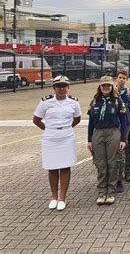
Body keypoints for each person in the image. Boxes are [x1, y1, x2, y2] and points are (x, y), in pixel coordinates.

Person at [33, 75, 81, 211]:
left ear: (68, 88)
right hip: (50, 137)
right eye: (59, 86)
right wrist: (49, 129)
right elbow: (36, 120)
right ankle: (54, 197)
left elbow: (77, 119)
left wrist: (65, 128)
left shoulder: (73, 102)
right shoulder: (45, 102)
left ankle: (62, 197)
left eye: (64, 86)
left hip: (66, 136)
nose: (62, 89)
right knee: (52, 167)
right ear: (54, 88)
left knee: (65, 167)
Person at [87, 76, 127, 206]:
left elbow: (123, 120)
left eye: (108, 85)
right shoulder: (95, 101)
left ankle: (111, 191)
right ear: (100, 87)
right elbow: (91, 122)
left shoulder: (117, 101)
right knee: (100, 163)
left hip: (113, 132)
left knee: (113, 162)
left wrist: (123, 139)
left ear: (111, 87)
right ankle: (101, 191)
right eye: (103, 85)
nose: (106, 88)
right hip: (98, 133)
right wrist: (89, 140)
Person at [115, 70, 130, 190]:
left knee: (129, 149)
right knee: (118, 151)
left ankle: (128, 172)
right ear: (116, 78)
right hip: (116, 125)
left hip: (127, 124)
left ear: (127, 79)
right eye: (120, 77)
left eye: (124, 78)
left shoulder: (129, 93)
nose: (122, 79)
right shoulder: (112, 91)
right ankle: (117, 175)